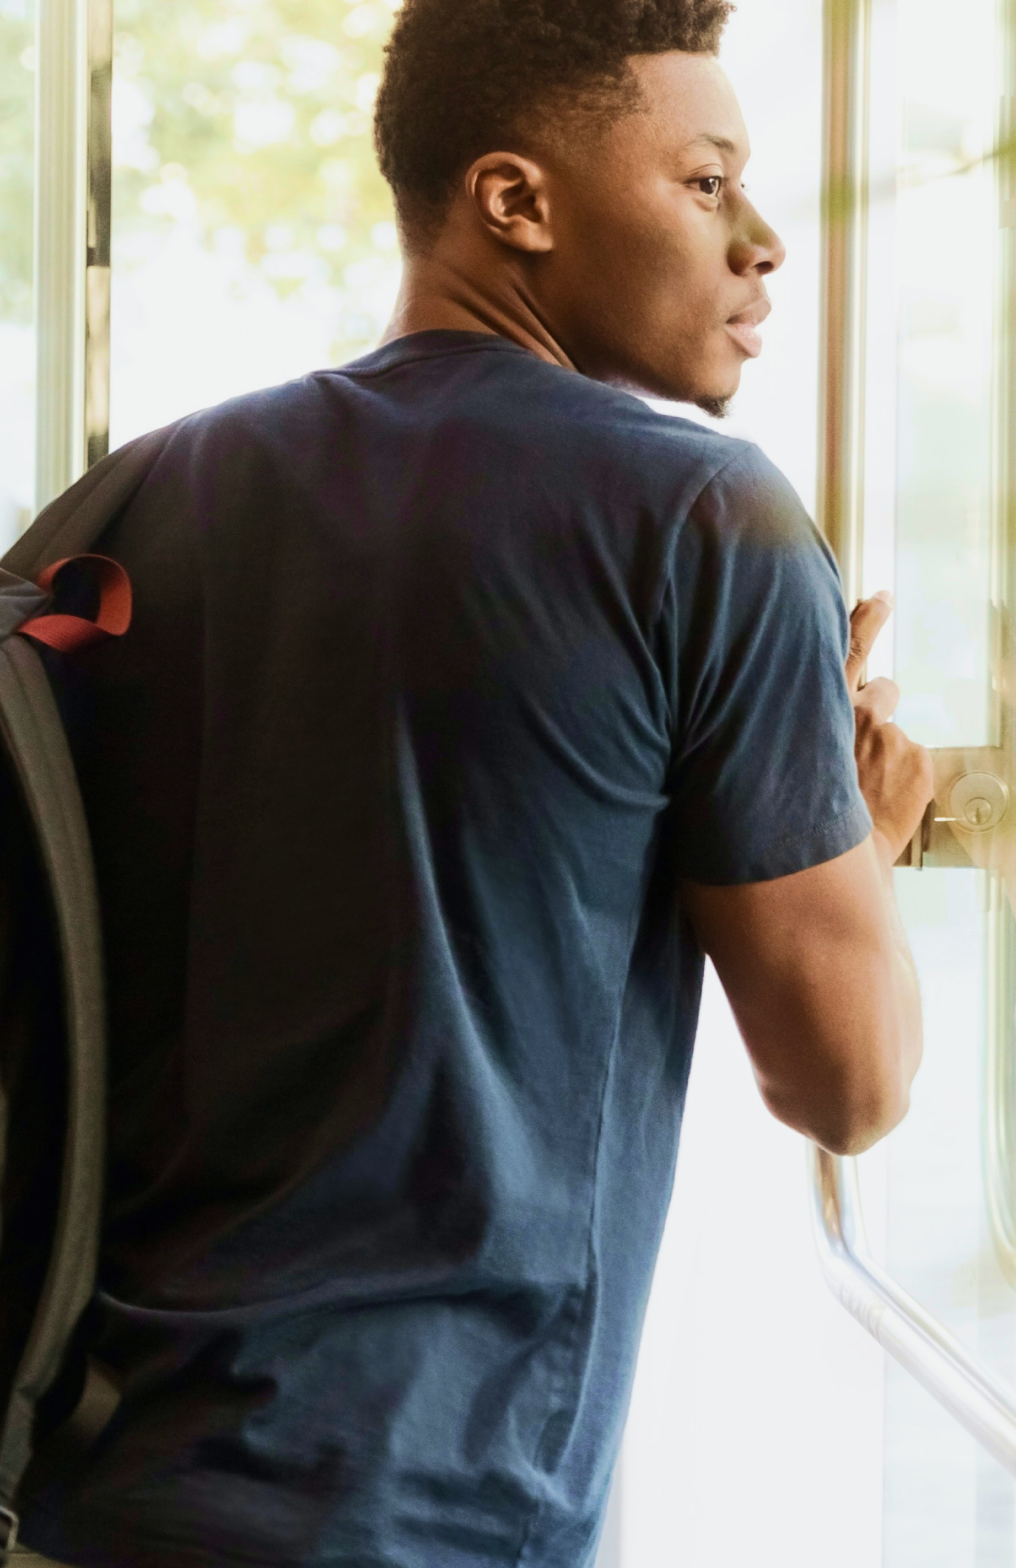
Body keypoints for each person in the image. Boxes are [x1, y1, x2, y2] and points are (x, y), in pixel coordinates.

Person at [11, 1, 933, 1562]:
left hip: (91, 1490)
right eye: (708, 183)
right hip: (429, 1511)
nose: (763, 242)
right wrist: (851, 824)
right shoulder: (706, 517)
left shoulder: (129, 502)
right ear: (516, 201)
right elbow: (850, 1083)